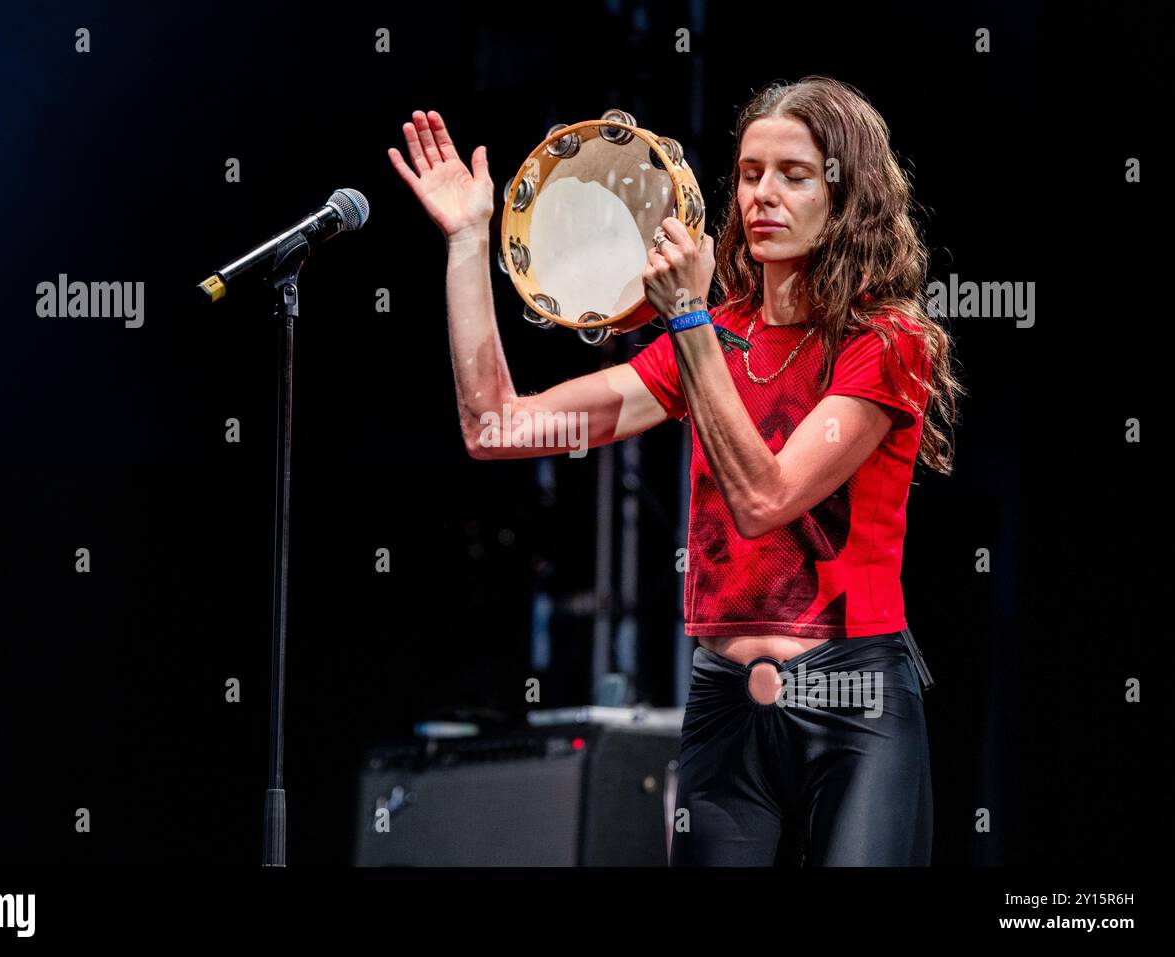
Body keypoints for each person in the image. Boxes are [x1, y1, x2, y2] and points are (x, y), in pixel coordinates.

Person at [388, 74, 963, 866]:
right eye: (752, 173)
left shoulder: (888, 343)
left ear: (847, 196)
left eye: (794, 176)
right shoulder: (714, 335)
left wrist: (690, 320)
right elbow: (495, 425)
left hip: (852, 699)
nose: (763, 194)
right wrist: (464, 243)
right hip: (726, 703)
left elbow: (766, 497)